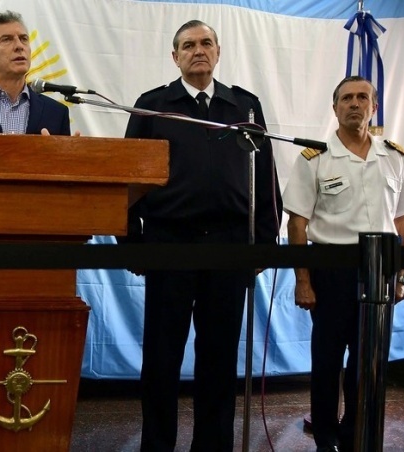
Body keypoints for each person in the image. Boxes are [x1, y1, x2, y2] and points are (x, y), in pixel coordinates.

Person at [122, 20, 282, 451]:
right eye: (188, 45)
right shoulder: (153, 105)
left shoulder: (243, 107)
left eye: (206, 43)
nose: (199, 50)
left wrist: (266, 239)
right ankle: (157, 445)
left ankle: (213, 446)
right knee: (162, 357)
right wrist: (131, 243)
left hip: (229, 246)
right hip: (168, 244)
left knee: (219, 358)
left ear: (218, 51)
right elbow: (128, 181)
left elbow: (266, 174)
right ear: (174, 57)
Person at [283, 76, 404, 452]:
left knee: (368, 363)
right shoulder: (314, 158)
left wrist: (402, 276)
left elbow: (403, 220)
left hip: (379, 272)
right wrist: (303, 281)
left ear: (373, 107)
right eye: (346, 98)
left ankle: (356, 432)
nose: (354, 104)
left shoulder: (394, 156)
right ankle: (326, 436)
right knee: (327, 361)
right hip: (331, 272)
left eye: (363, 97)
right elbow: (296, 222)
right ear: (335, 109)